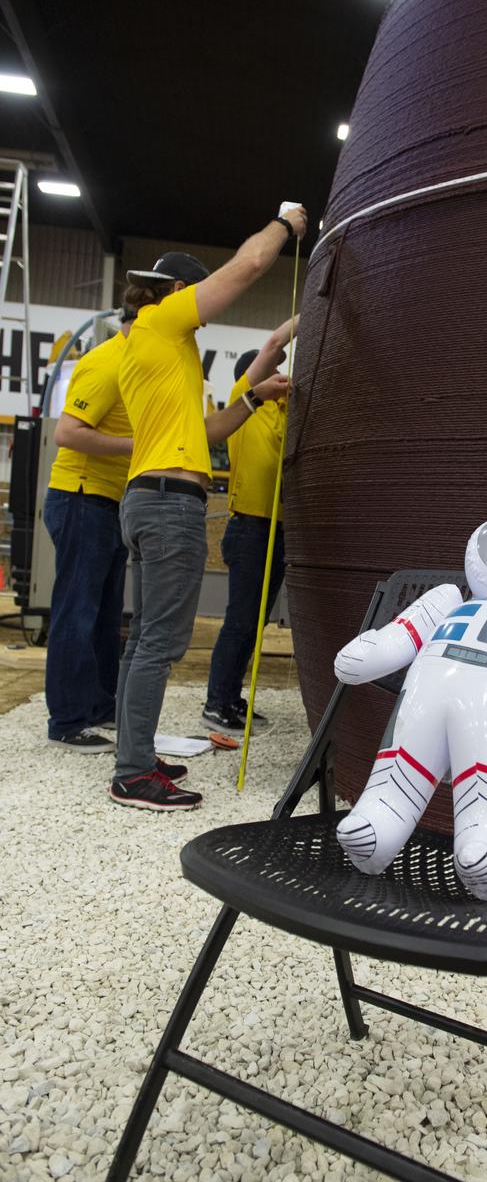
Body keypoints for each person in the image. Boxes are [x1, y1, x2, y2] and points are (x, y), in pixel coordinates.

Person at [111, 202, 308, 813]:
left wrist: (254, 397)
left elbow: (212, 429)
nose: (201, 307)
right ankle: (132, 773)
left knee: (143, 638)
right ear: (175, 290)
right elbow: (248, 266)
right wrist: (286, 224)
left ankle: (134, 754)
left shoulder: (156, 352)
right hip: (169, 505)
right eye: (195, 293)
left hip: (150, 497)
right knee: (159, 644)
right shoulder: (163, 321)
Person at [44, 309, 135, 752]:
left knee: (104, 613)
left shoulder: (134, 364)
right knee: (77, 611)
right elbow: (68, 432)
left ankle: (97, 705)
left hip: (107, 501)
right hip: (81, 496)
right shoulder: (107, 363)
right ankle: (66, 719)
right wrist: (140, 445)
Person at [202, 324, 296, 733]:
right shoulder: (245, 403)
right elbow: (273, 345)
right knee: (240, 620)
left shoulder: (282, 413)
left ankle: (232, 698)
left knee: (254, 623)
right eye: (272, 371)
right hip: (250, 529)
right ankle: (217, 702)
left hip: (277, 529)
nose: (280, 375)